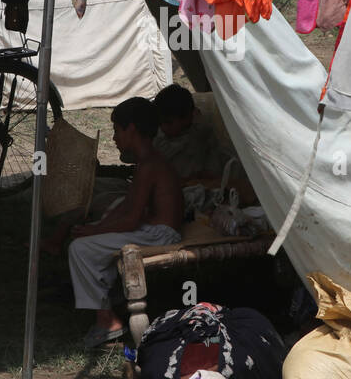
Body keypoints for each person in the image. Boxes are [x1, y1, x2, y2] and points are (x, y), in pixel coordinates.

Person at [67, 97, 182, 348]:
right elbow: (130, 210)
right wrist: (97, 228)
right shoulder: (147, 161)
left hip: (162, 235)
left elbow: (130, 220)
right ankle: (111, 297)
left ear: (131, 129)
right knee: (93, 234)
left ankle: (108, 321)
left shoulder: (150, 164)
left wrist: (94, 231)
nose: (114, 138)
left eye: (117, 131)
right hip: (155, 229)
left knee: (80, 248)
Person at [153, 83, 229, 182]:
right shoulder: (159, 137)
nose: (163, 127)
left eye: (169, 123)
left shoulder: (202, 133)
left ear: (188, 117)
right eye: (160, 122)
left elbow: (214, 169)